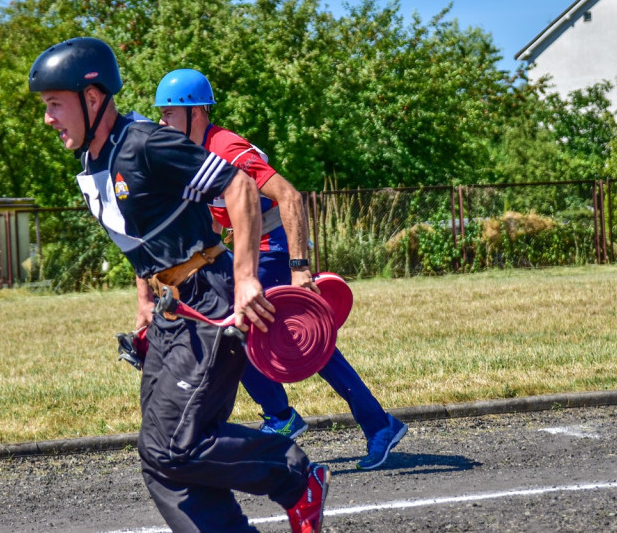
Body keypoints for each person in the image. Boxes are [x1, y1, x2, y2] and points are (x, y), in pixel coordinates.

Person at [29, 38, 328, 533]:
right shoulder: (94, 161)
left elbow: (239, 186)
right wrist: (145, 302)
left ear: (93, 97)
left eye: (55, 104)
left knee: (176, 444)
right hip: (173, 309)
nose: (48, 118)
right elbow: (138, 236)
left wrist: (246, 279)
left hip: (210, 299)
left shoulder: (145, 143)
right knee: (158, 454)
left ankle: (296, 477)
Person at [146, 67, 408, 471]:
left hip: (275, 249)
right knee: (261, 336)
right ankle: (332, 420)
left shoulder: (228, 149)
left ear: (195, 112)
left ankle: (305, 419)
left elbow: (289, 196)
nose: (162, 123)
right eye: (161, 115)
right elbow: (217, 219)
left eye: (168, 114)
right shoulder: (194, 153)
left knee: (258, 333)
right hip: (250, 250)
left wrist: (300, 267)